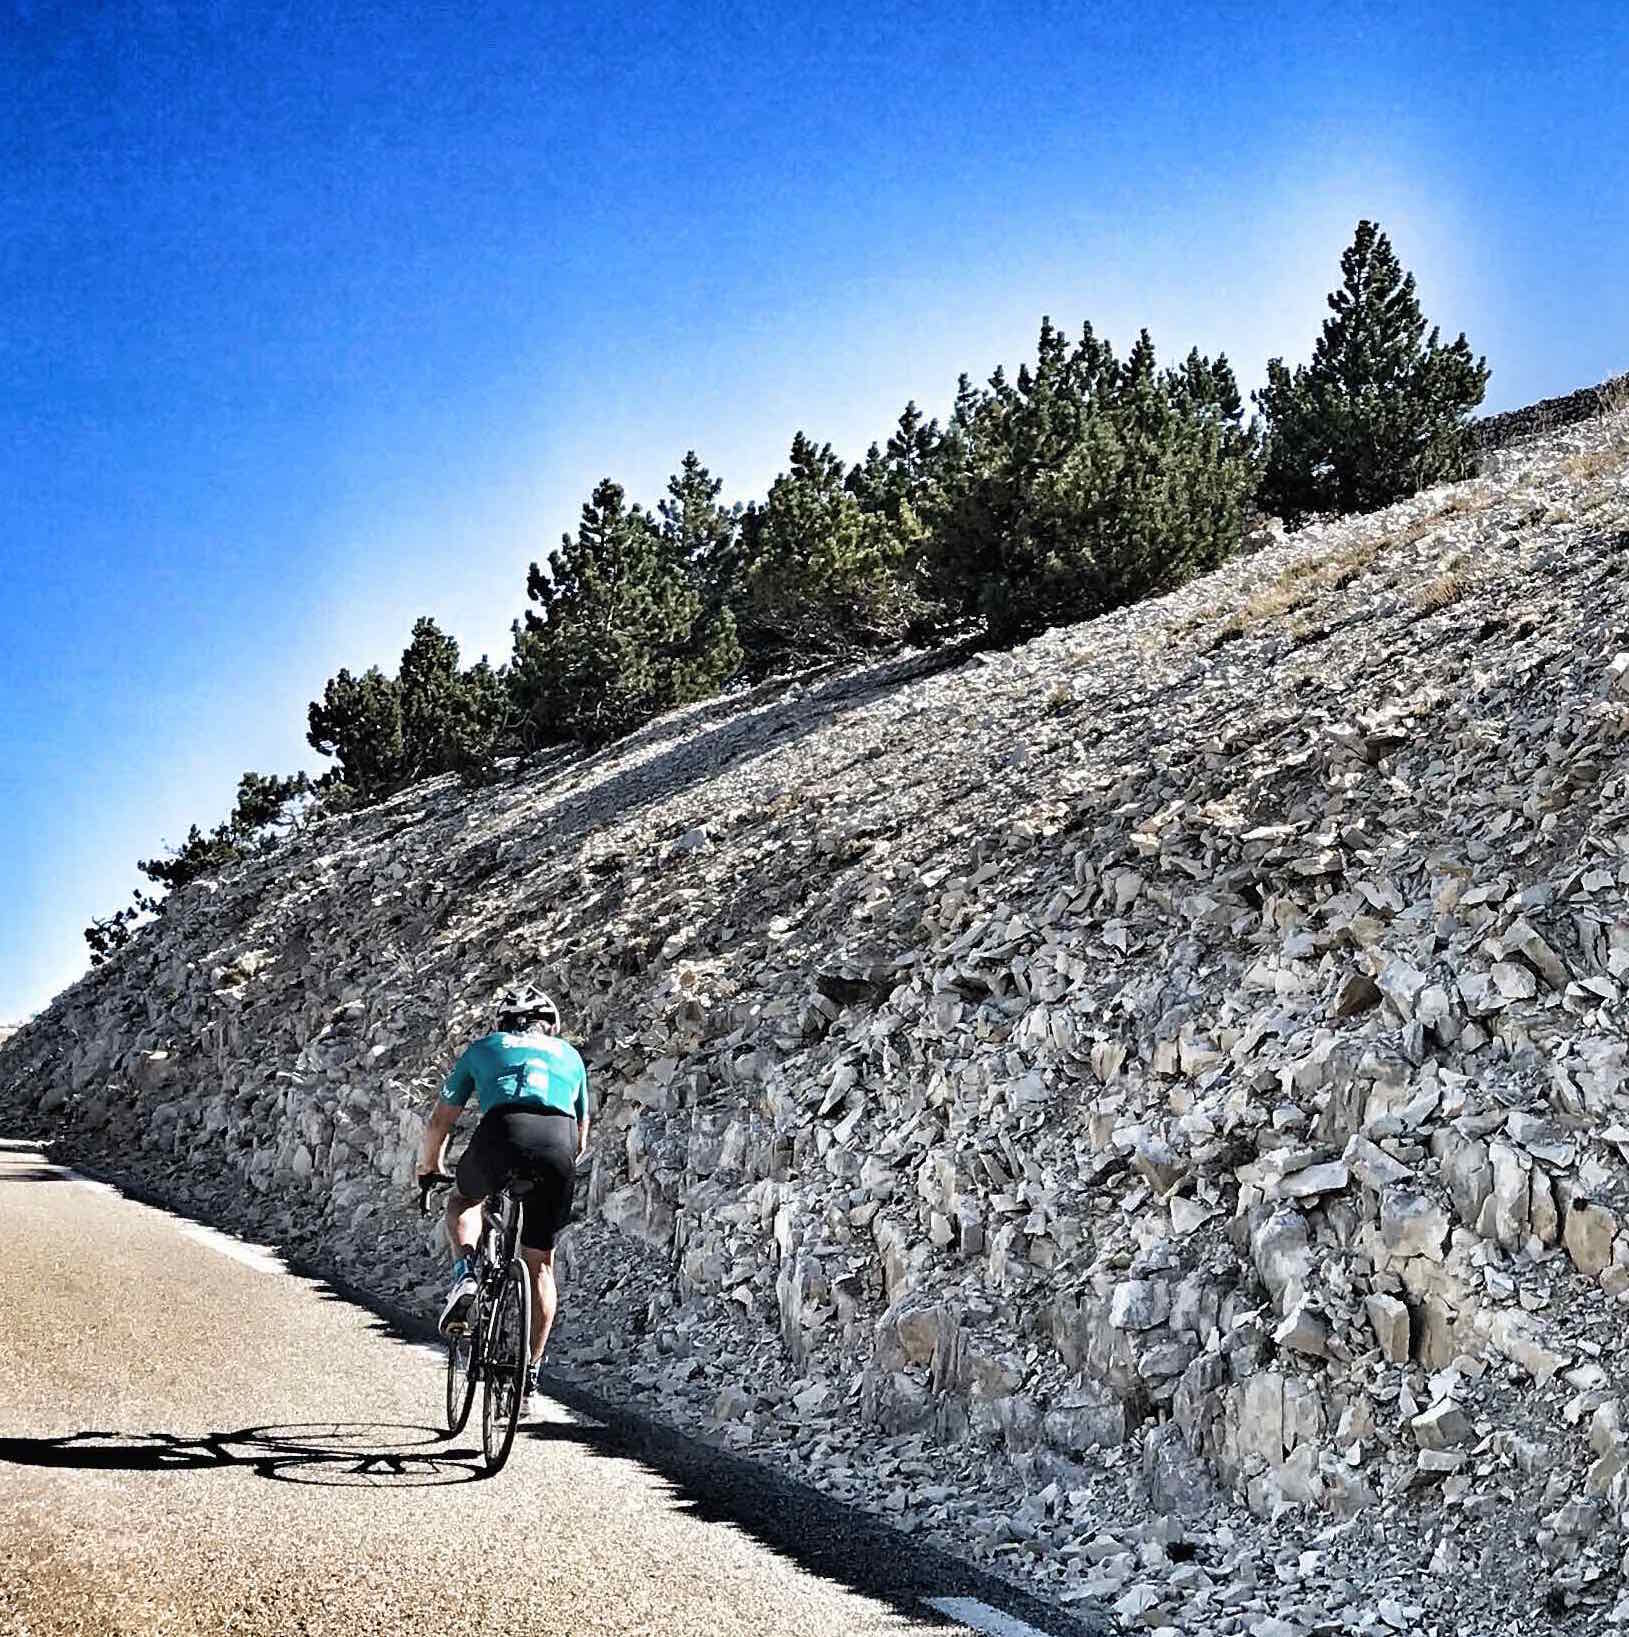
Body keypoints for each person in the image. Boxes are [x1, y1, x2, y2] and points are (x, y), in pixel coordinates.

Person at [416, 984, 588, 1415]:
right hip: (558, 1143)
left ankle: (465, 1276)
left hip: (501, 1133)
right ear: (551, 1025)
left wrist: (430, 1166)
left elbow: (441, 1120)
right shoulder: (570, 1055)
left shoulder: (484, 1048)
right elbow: (582, 1139)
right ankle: (528, 1378)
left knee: (462, 1203)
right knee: (541, 1263)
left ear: (504, 1023)